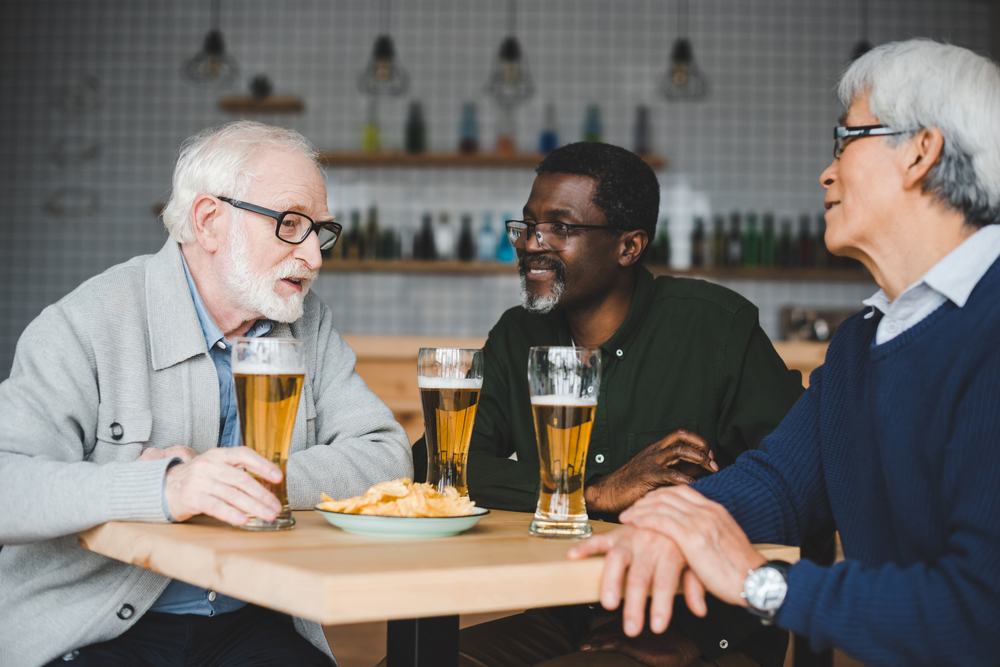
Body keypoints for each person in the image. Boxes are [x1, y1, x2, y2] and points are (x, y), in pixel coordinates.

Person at [570, 39, 1000, 667]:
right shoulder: (862, 344)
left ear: (919, 151)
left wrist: (760, 584)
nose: (826, 173)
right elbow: (778, 481)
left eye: (845, 140)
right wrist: (672, 517)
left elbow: (979, 613)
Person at [0, 121, 413, 667]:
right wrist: (165, 489)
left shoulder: (307, 326)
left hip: (250, 623)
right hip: (95, 627)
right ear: (210, 221)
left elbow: (386, 455)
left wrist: (238, 483)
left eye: (320, 231)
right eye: (292, 225)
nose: (314, 256)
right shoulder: (87, 322)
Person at [413, 142, 807, 667]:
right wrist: (593, 494)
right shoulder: (518, 335)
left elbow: (797, 495)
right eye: (528, 225)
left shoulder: (715, 328)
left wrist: (707, 641)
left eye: (560, 228)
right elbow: (439, 464)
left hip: (700, 624)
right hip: (564, 612)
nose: (533, 243)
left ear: (630, 246)